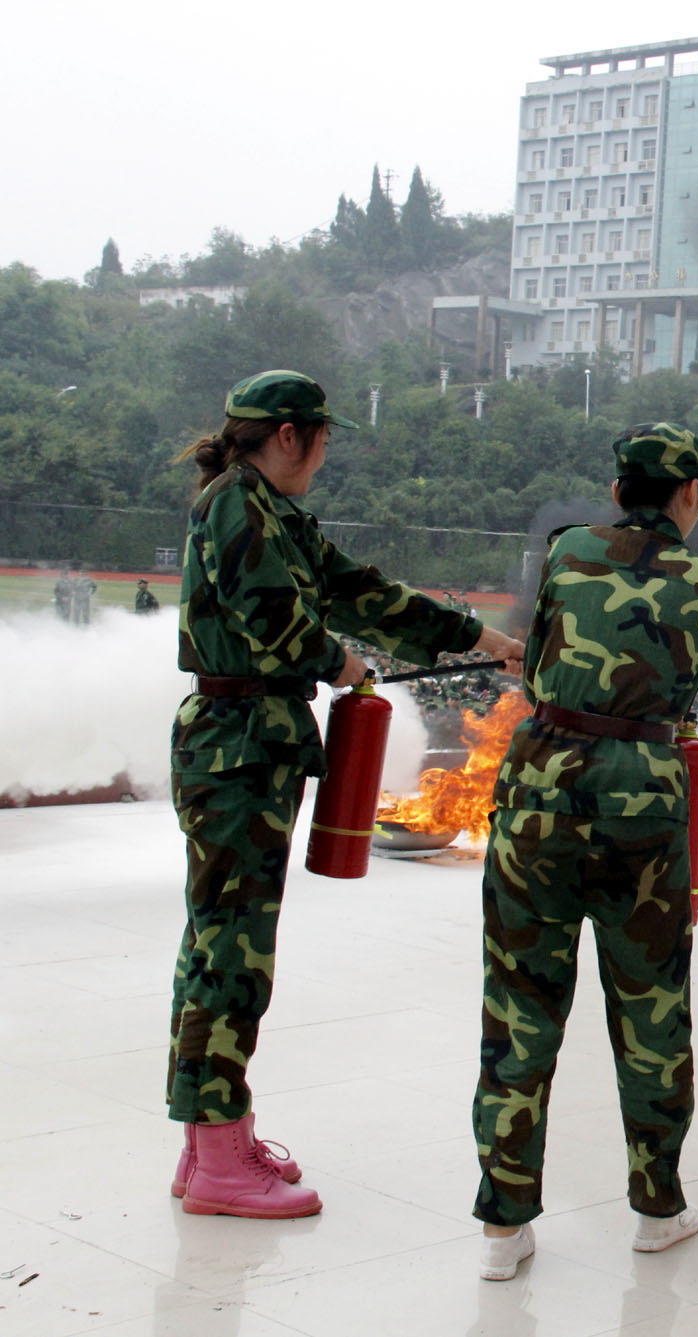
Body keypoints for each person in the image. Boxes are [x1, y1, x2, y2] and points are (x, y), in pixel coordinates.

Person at [167, 369, 524, 1219]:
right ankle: (217, 1159)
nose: (325, 455)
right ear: (291, 435)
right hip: (239, 742)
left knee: (223, 940)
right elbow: (274, 615)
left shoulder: (269, 509)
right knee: (231, 950)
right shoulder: (236, 504)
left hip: (252, 740)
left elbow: (361, 590)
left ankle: (212, 1138)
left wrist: (483, 639)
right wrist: (338, 662)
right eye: (323, 438)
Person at [474, 422, 698, 1282]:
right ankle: (657, 1208)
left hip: (540, 787)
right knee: (652, 1010)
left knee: (520, 1009)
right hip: (640, 805)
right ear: (690, 494)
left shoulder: (563, 552)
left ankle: (503, 1228)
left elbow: (540, 664)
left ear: (621, 487)